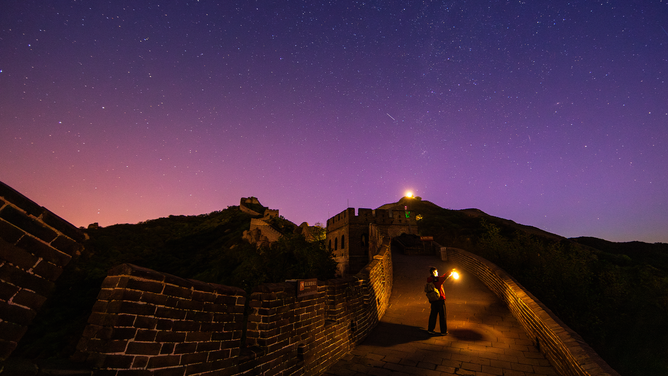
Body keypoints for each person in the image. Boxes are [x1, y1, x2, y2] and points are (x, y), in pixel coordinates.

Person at [426, 267, 452, 335]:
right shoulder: (438, 280)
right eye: (436, 272)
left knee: (433, 315)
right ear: (434, 272)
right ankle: (443, 331)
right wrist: (451, 271)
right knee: (442, 316)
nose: (437, 273)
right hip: (440, 300)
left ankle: (430, 329)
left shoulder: (429, 280)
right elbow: (444, 277)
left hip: (433, 300)